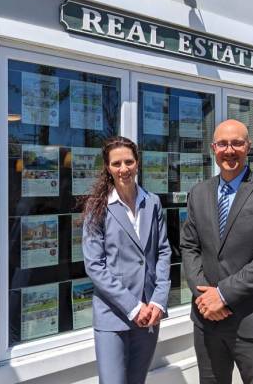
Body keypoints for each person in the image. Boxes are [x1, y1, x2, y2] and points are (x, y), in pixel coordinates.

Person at [180, 119, 253, 384]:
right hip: (208, 321)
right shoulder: (198, 193)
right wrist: (205, 297)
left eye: (237, 143)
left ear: (248, 147)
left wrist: (223, 294)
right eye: (223, 144)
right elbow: (189, 247)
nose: (229, 150)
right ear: (213, 148)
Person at [82, 136, 171, 384]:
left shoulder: (152, 203)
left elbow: (163, 252)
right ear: (108, 168)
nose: (124, 169)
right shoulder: (97, 206)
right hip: (114, 314)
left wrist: (158, 301)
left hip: (149, 313)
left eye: (129, 162)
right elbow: (95, 266)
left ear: (137, 163)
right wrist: (133, 307)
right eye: (116, 164)